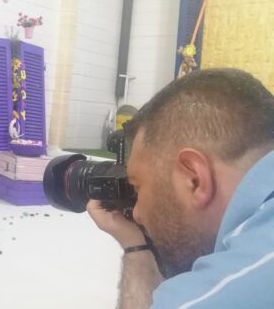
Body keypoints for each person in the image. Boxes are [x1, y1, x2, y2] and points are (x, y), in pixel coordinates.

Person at [87, 68, 274, 308]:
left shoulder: (233, 289)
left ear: (194, 179)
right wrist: (135, 243)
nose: (137, 213)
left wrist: (136, 252)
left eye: (138, 186)